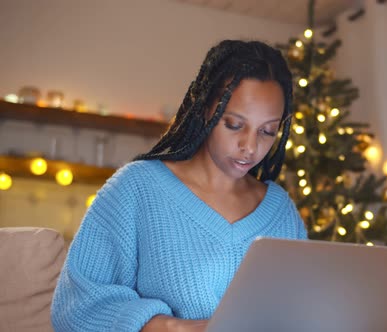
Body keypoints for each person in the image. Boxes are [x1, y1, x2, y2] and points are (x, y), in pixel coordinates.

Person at [50, 40, 308, 332]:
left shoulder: (282, 212)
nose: (250, 146)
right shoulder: (136, 188)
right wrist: (172, 327)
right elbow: (76, 308)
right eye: (234, 125)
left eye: (267, 131)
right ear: (205, 109)